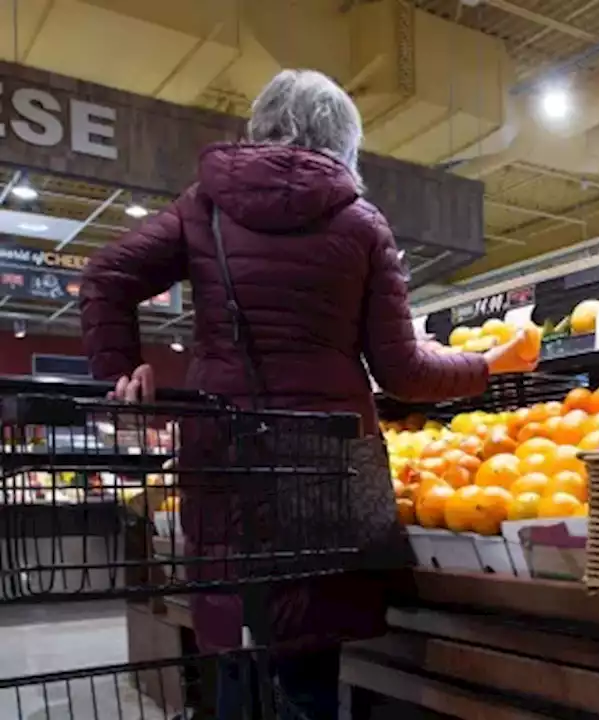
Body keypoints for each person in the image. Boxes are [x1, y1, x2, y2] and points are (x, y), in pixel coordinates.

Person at [78, 69, 535, 719]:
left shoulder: (202, 208)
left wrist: (120, 368)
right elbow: (404, 372)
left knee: (238, 642)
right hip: (324, 463)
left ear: (259, 123)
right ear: (344, 140)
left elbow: (105, 275)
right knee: (310, 656)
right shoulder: (360, 224)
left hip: (223, 454)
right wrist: (484, 364)